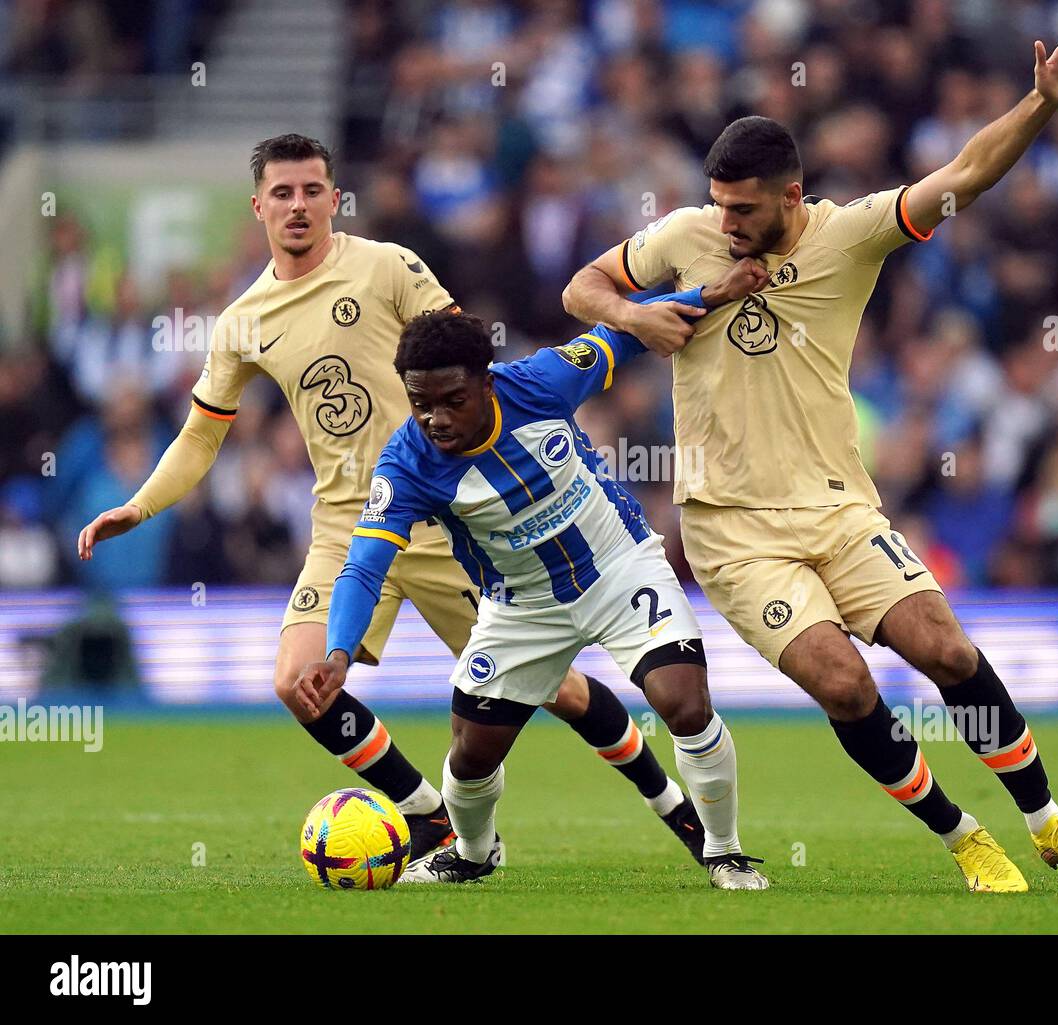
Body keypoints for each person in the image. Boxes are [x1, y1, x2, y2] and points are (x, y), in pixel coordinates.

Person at [561, 22, 1058, 891]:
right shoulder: (684, 237)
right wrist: (636, 316)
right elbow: (582, 287)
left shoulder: (851, 234)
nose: (727, 222)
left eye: (744, 209)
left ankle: (1049, 823)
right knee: (845, 682)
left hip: (839, 505)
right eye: (718, 204)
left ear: (791, 195)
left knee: (942, 648)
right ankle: (965, 836)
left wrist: (1044, 103)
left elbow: (965, 176)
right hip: (733, 528)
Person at [77, 133, 707, 870]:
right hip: (349, 525)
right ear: (258, 207)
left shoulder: (387, 265)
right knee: (298, 682)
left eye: (312, 189)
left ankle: (678, 809)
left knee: (561, 693)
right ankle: (433, 820)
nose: (298, 205)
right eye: (282, 193)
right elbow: (198, 438)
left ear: (333, 197)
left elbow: (472, 361)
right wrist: (141, 505)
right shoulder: (242, 321)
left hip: (450, 518)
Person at [293, 268, 771, 889]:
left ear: (486, 385)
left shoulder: (542, 382)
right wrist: (337, 654)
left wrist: (712, 293)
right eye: (420, 403)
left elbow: (623, 331)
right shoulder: (406, 464)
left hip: (619, 568)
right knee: (469, 756)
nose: (435, 418)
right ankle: (473, 851)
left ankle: (725, 852)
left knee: (682, 701)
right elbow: (364, 564)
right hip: (520, 606)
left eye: (451, 401)